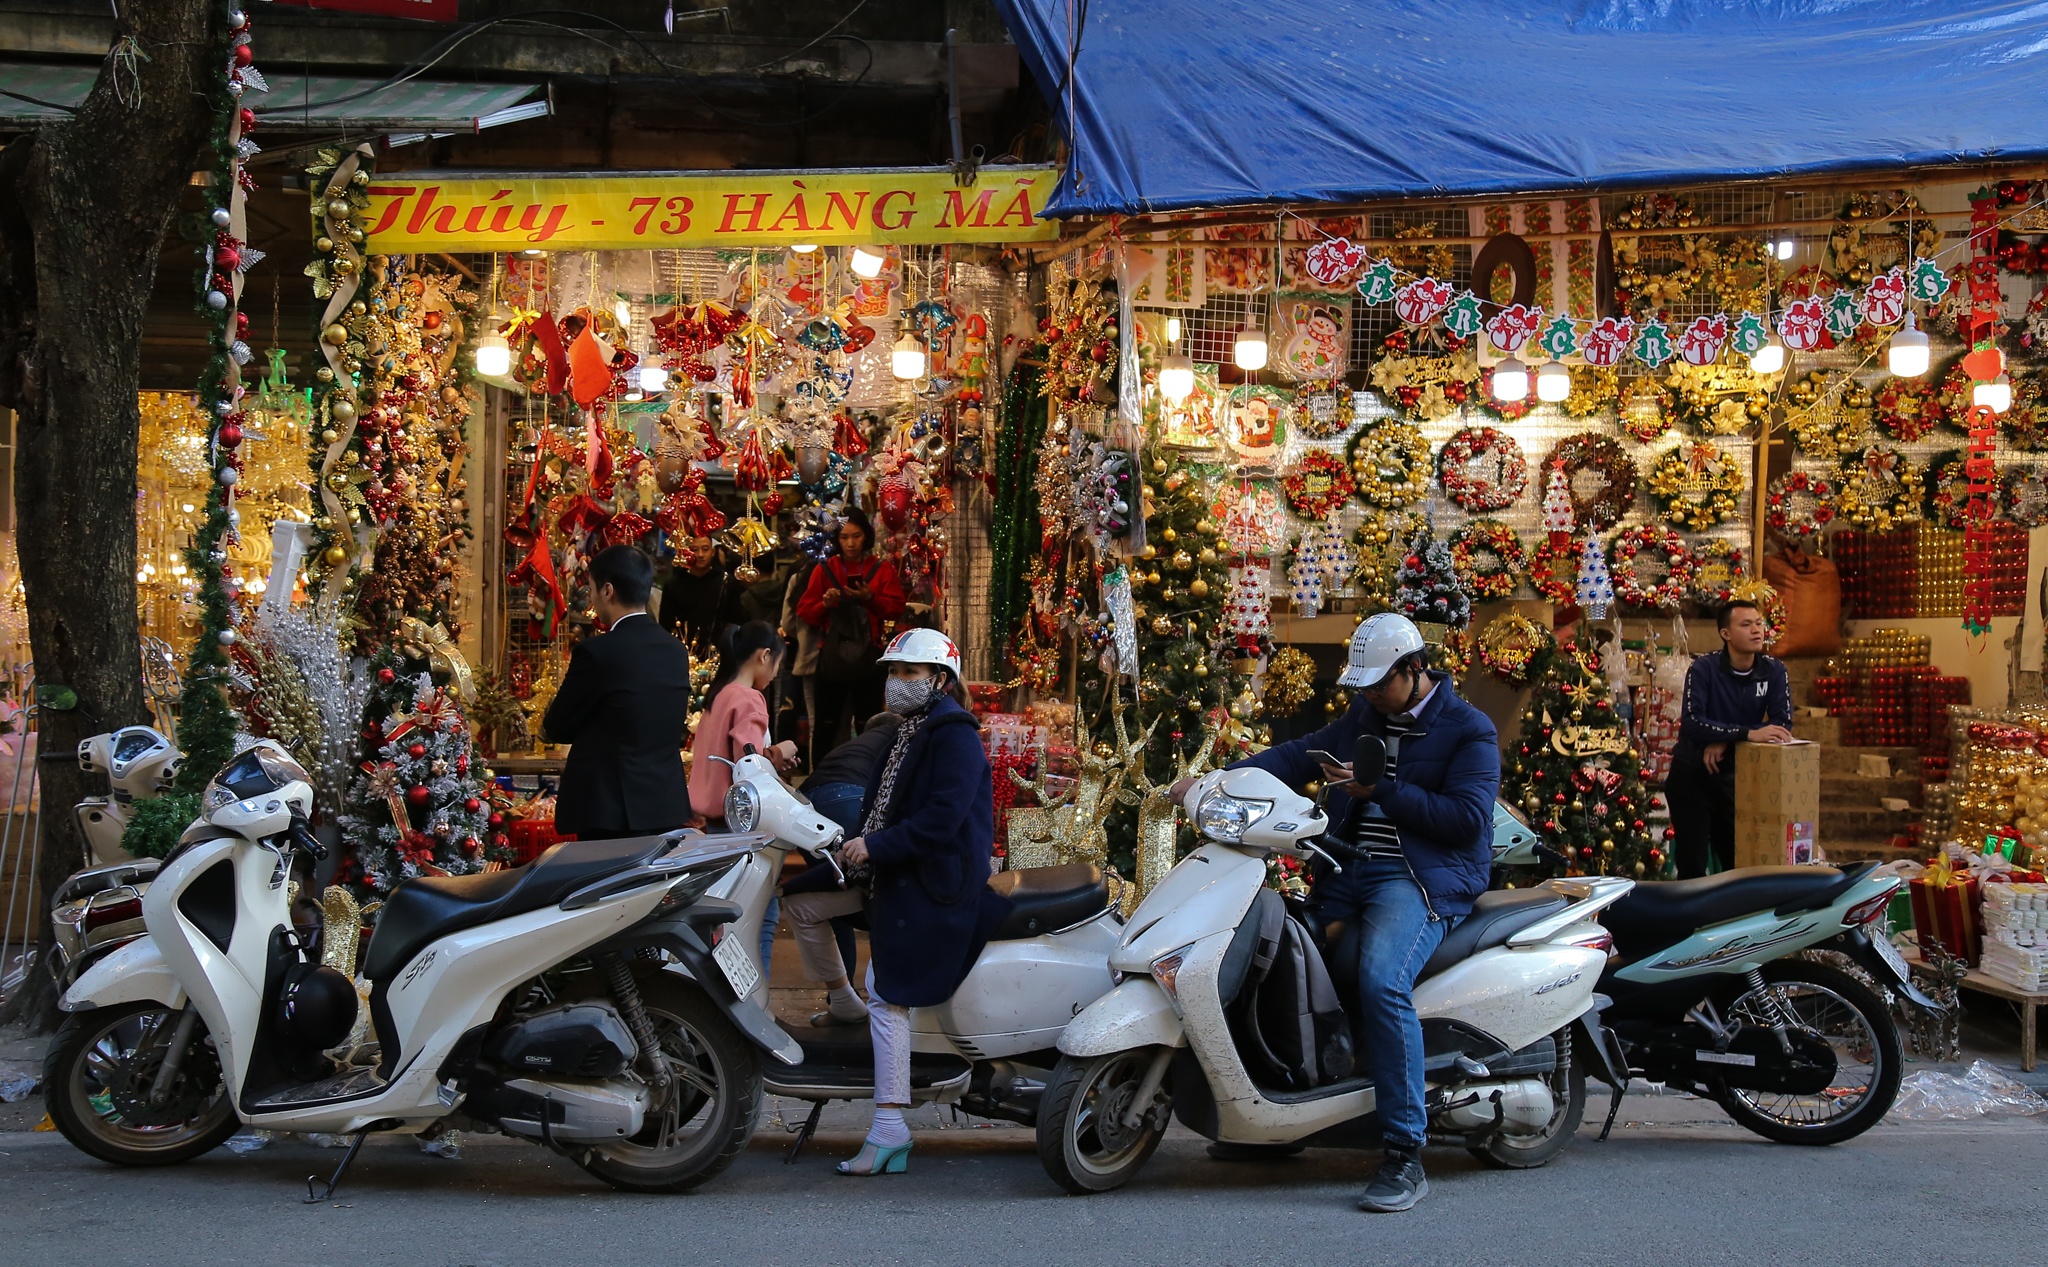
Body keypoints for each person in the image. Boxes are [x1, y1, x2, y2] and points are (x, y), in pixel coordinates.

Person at [1186, 612, 1498, 1214]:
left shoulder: (1470, 729)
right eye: (1363, 689)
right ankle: (1285, 1119)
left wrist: (1378, 790)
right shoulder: (1366, 718)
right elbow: (1302, 755)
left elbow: (1465, 822)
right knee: (1275, 953)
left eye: (1379, 685)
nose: (1370, 698)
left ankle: (1406, 1151)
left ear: (1415, 670)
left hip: (1423, 880)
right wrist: (1217, 779)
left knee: (1383, 982)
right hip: (1349, 869)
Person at [779, 628, 1007, 1176]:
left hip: (930, 879)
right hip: (891, 869)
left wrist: (875, 845)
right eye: (893, 672)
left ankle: (888, 1128)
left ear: (939, 681)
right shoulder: (911, 729)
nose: (896, 682)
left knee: (887, 993)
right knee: (803, 904)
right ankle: (841, 1002)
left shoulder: (953, 736)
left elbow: (940, 820)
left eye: (908, 673)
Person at [542, 546, 693, 840]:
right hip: (663, 803)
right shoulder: (675, 650)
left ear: (608, 590)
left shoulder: (598, 652)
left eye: (593, 589)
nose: (592, 598)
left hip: (609, 808)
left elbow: (558, 725)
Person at [1666, 600, 1794, 878]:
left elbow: (1782, 724)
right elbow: (1692, 722)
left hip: (1738, 778)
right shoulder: (1704, 668)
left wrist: (1728, 739)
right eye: (1746, 625)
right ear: (1726, 633)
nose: (1756, 630)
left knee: (1737, 862)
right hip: (1693, 775)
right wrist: (1747, 732)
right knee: (1693, 864)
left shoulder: (1774, 670)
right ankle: (1692, 920)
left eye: (1759, 623)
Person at [796, 508, 905, 751]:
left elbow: (896, 609)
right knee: (826, 725)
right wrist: (825, 604)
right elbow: (805, 612)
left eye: (856, 536)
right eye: (844, 537)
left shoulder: (881, 568)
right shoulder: (825, 568)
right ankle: (822, 779)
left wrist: (870, 598)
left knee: (870, 723)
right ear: (836, 539)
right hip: (832, 659)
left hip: (871, 659)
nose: (850, 543)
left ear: (865, 536)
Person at [687, 621, 800, 826]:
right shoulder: (748, 699)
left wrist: (774, 761)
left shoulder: (719, 693)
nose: (775, 674)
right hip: (738, 816)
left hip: (711, 814)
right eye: (778, 665)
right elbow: (748, 767)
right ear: (764, 655)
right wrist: (780, 752)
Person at [658, 534, 743, 658]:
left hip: (719, 653)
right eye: (694, 550)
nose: (700, 555)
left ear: (713, 552)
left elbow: (736, 620)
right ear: (687, 552)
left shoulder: (726, 582)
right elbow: (665, 624)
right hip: (682, 653)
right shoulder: (674, 585)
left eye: (705, 549)